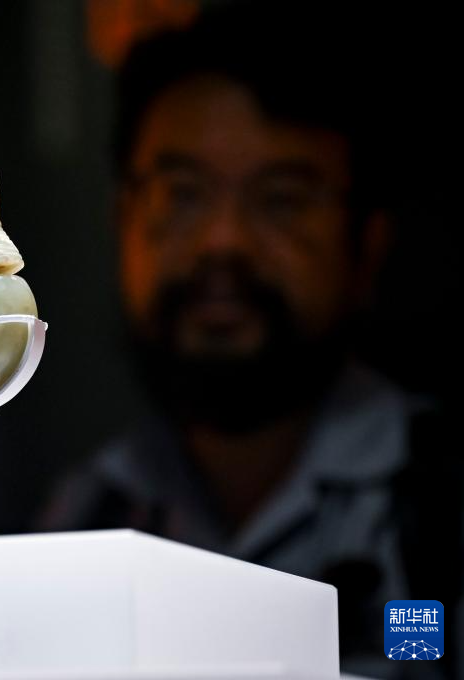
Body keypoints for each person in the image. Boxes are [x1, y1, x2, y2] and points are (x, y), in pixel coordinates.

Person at [41, 5, 460, 678]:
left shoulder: (435, 508)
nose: (223, 241)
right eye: (181, 194)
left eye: (281, 199)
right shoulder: (86, 516)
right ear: (123, 222)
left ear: (367, 242)